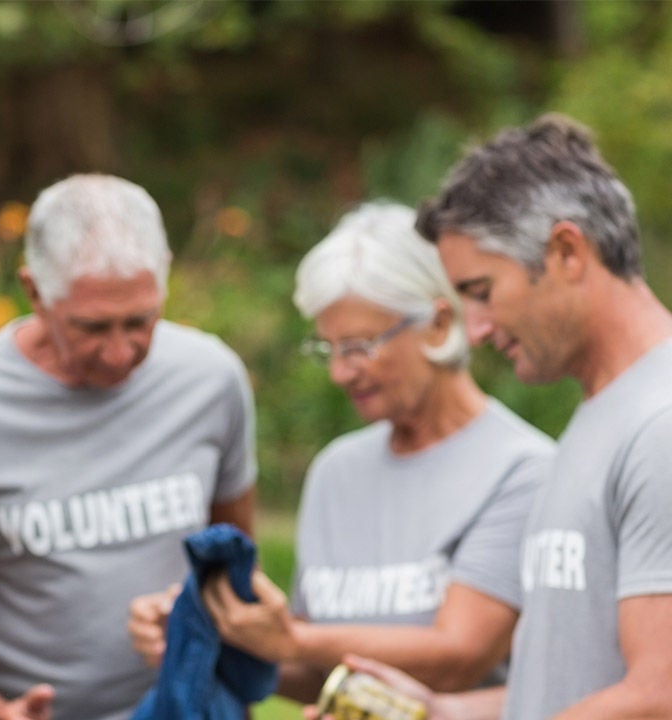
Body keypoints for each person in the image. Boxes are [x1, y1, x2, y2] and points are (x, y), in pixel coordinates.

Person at [127, 202, 554, 704]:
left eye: (358, 347)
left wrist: (294, 640)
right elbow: (318, 671)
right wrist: (213, 638)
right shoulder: (336, 470)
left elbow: (461, 656)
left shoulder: (522, 471)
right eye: (328, 349)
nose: (339, 373)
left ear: (438, 324)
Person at [336, 114, 672, 719]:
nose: (475, 330)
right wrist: (443, 711)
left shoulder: (660, 424)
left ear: (567, 252)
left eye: (482, 292)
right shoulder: (603, 414)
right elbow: (569, 690)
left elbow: (659, 695)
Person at [0, 173, 259, 720]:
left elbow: (234, 558)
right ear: (35, 291)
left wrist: (194, 618)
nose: (119, 352)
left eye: (140, 321)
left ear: (165, 273)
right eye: (92, 327)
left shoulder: (211, 379)